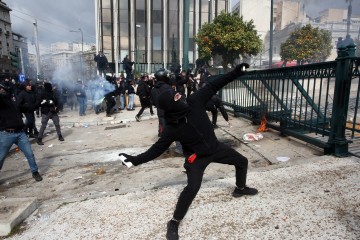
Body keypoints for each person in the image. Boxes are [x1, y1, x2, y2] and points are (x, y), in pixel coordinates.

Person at [119, 63, 257, 240]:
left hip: (215, 148)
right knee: (192, 188)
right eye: (179, 101)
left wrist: (236, 72)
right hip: (196, 157)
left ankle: (240, 188)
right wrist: (135, 160)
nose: (183, 101)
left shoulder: (194, 101)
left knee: (242, 161)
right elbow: (156, 150)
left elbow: (215, 84)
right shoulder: (171, 128)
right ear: (171, 108)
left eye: (181, 97)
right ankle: (174, 222)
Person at [0, 83, 43, 181]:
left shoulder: (14, 103)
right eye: (1, 89)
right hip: (6, 134)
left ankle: (35, 172)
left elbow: (30, 108)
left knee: (30, 154)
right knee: (1, 158)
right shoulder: (1, 104)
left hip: (20, 133)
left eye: (3, 89)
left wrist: (39, 98)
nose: (2, 90)